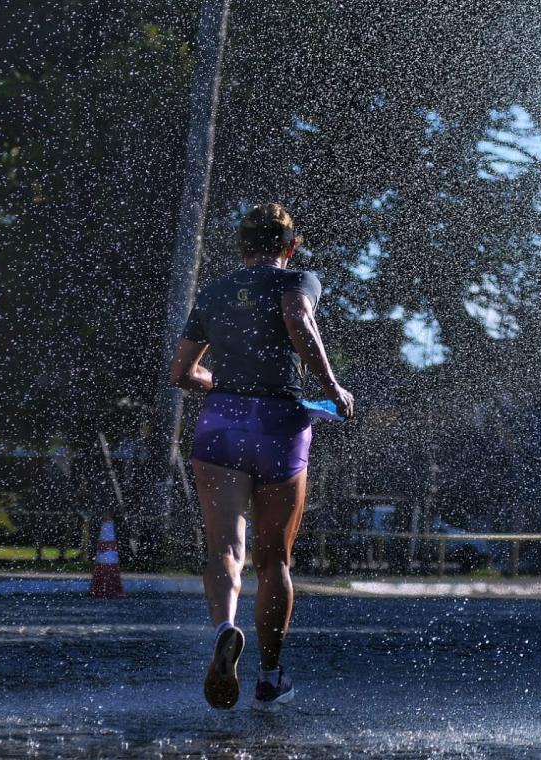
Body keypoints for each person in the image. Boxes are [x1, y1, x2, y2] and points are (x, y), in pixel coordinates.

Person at [170, 203, 354, 712]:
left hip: (220, 423)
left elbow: (182, 373)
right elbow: (298, 320)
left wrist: (222, 382)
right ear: (289, 247)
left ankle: (225, 629)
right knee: (274, 560)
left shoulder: (212, 292)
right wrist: (331, 385)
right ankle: (270, 676)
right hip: (279, 423)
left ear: (241, 247)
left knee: (225, 547)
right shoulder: (299, 279)